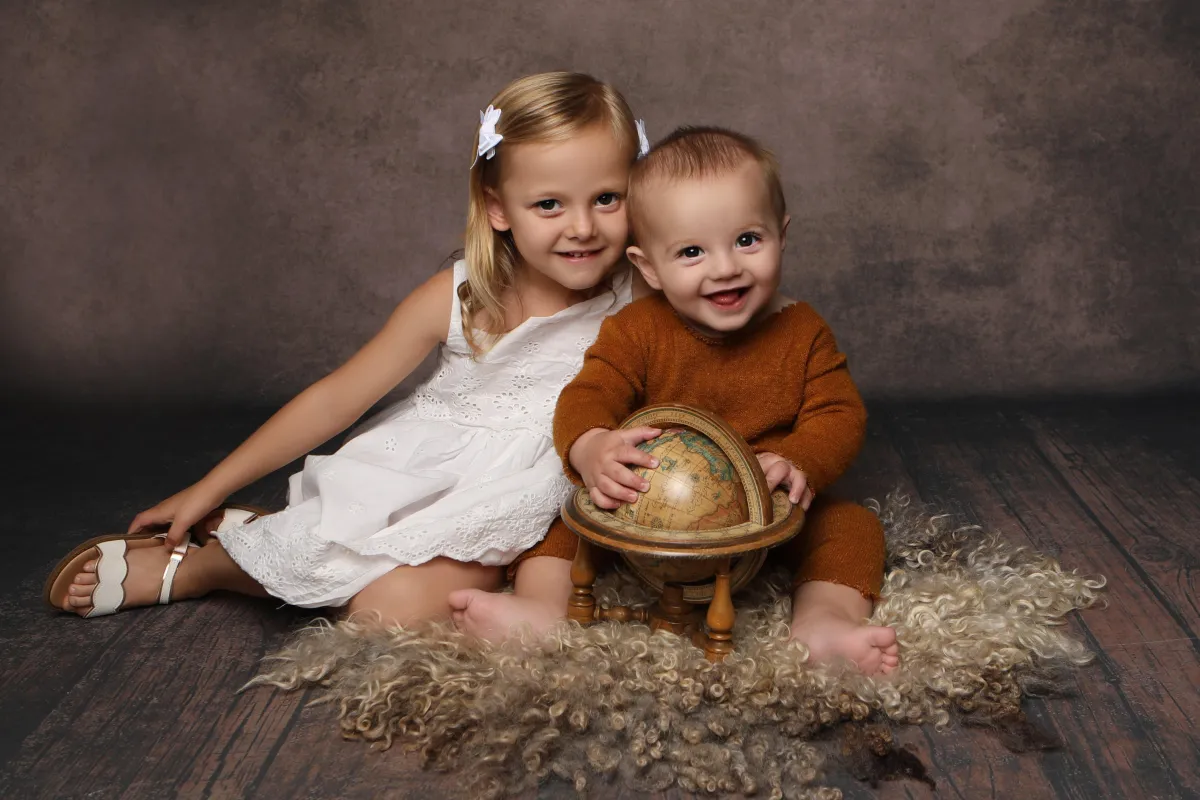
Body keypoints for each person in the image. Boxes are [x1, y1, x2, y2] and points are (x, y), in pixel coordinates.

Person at [45, 72, 646, 627]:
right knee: (367, 595)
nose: (582, 228)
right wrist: (210, 486)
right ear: (497, 208)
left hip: (549, 492)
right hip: (438, 477)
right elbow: (335, 399)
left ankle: (276, 543)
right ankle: (205, 566)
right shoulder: (459, 296)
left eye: (606, 199)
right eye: (549, 204)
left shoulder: (643, 293)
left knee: (389, 614)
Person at [450, 126, 900, 675]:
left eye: (747, 240)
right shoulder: (636, 331)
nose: (725, 267)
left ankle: (825, 621)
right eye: (691, 252)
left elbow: (839, 413)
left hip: (764, 517)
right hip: (649, 516)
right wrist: (592, 446)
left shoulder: (803, 332)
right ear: (648, 268)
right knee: (562, 518)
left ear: (782, 235)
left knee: (850, 526)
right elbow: (590, 392)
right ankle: (541, 608)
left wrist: (801, 460)